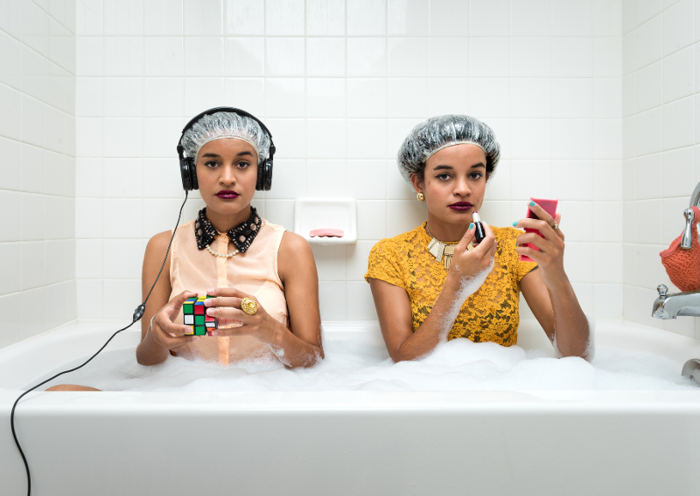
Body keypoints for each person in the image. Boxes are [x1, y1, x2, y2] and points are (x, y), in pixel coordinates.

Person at [49, 108, 323, 390]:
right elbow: (147, 360)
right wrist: (156, 338)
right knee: (57, 394)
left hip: (267, 397)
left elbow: (313, 359)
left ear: (261, 173)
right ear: (191, 173)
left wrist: (272, 332)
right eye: (212, 164)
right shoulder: (162, 247)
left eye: (242, 164)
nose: (227, 178)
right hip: (183, 396)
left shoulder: (290, 248)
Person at [365, 115, 591, 363]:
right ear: (419, 183)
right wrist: (458, 283)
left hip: (501, 392)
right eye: (444, 176)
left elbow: (576, 355)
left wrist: (556, 273)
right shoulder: (391, 254)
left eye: (474, 175)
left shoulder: (513, 246)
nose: (463, 189)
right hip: (428, 395)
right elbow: (403, 358)